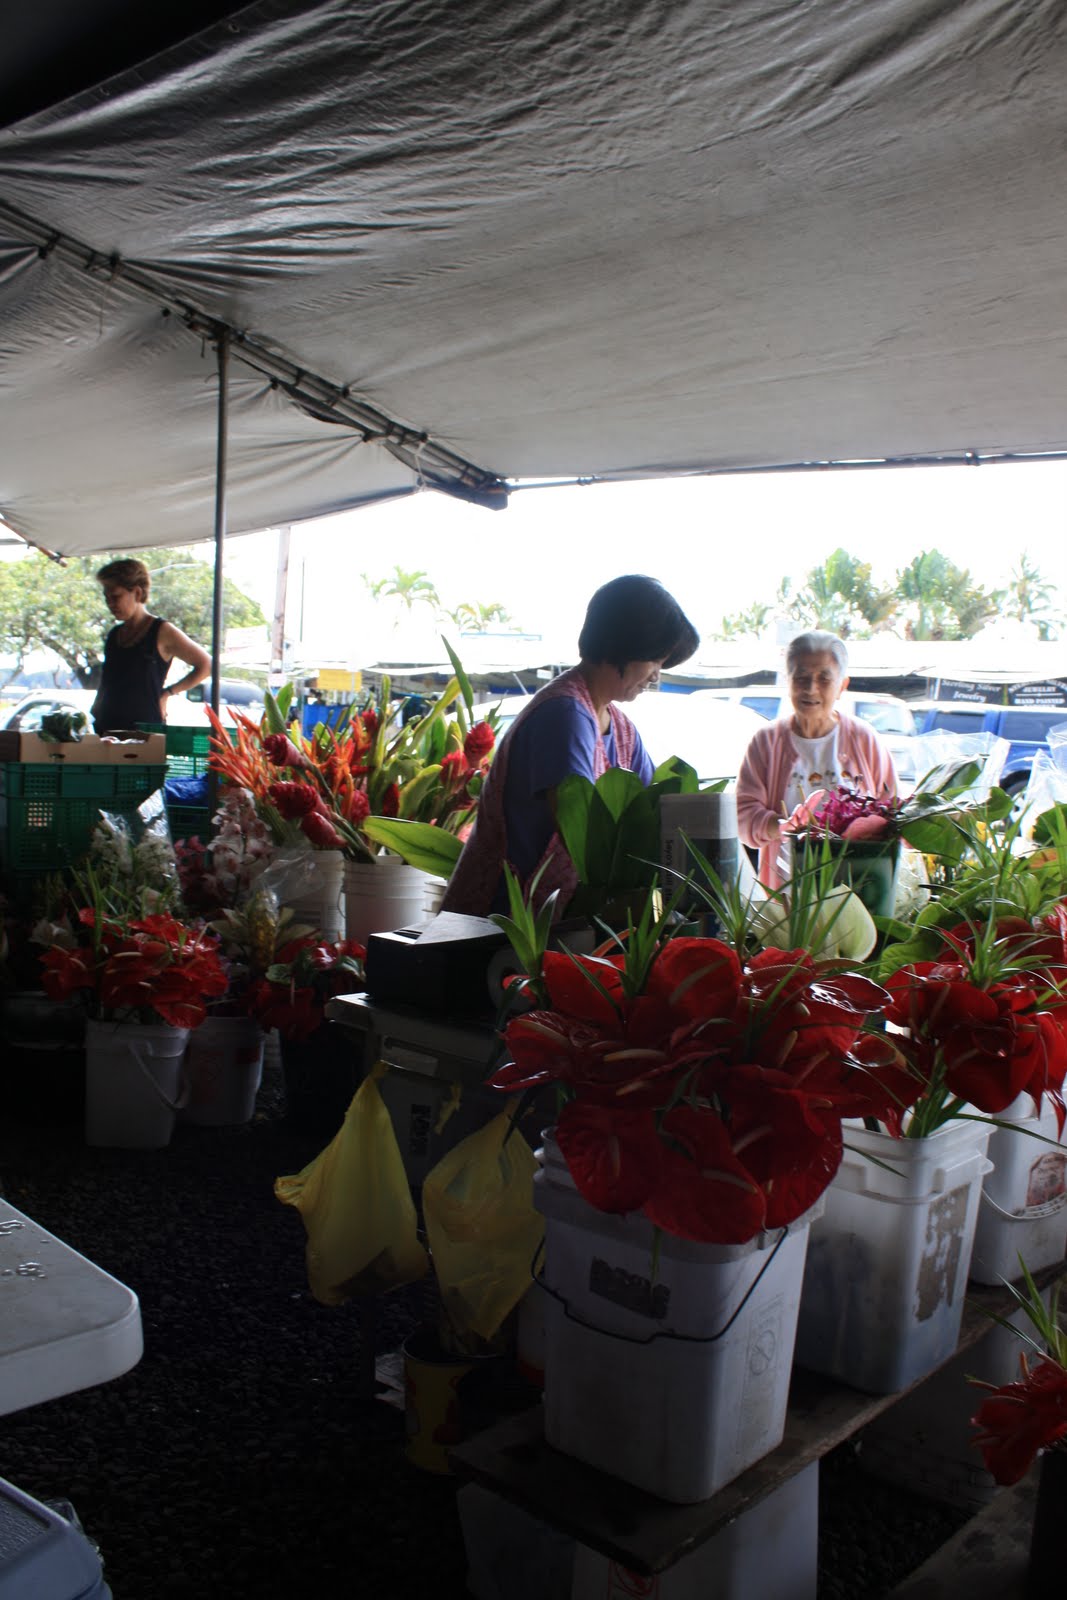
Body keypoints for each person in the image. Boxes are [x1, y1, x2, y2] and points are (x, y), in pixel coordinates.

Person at [442, 574, 699, 916]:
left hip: (557, 921)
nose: (656, 676)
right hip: (504, 922)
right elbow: (582, 839)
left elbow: (658, 808)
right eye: (655, 660)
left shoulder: (621, 729)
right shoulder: (563, 715)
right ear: (625, 645)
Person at [736, 630, 898, 890]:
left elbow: (892, 811)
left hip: (856, 889)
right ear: (787, 681)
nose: (811, 688)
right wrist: (783, 826)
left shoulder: (864, 739)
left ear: (842, 685)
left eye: (824, 678)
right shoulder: (766, 741)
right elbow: (743, 815)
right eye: (801, 677)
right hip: (787, 891)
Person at [91, 558, 211, 734]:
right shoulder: (114, 635)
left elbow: (206, 665)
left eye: (116, 597)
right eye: (106, 598)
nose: (110, 604)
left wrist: (168, 693)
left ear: (137, 593)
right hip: (107, 730)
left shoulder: (162, 631)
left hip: (144, 732)